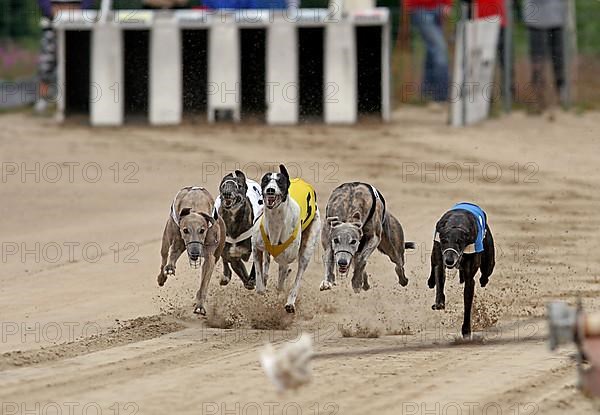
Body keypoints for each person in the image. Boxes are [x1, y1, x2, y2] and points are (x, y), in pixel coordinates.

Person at [36, 1, 94, 114]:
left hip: (78, 24)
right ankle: (43, 99)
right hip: (51, 24)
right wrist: (51, 9)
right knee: (46, 65)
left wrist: (79, 9)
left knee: (78, 63)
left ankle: (77, 100)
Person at [522, 0, 567, 112]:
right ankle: (538, 97)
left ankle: (560, 95)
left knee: (558, 59)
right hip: (535, 19)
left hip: (556, 17)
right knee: (537, 61)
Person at [406, 0, 453, 103]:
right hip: (420, 9)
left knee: (432, 51)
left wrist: (447, 5)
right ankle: (441, 97)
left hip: (438, 8)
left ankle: (426, 94)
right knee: (439, 49)